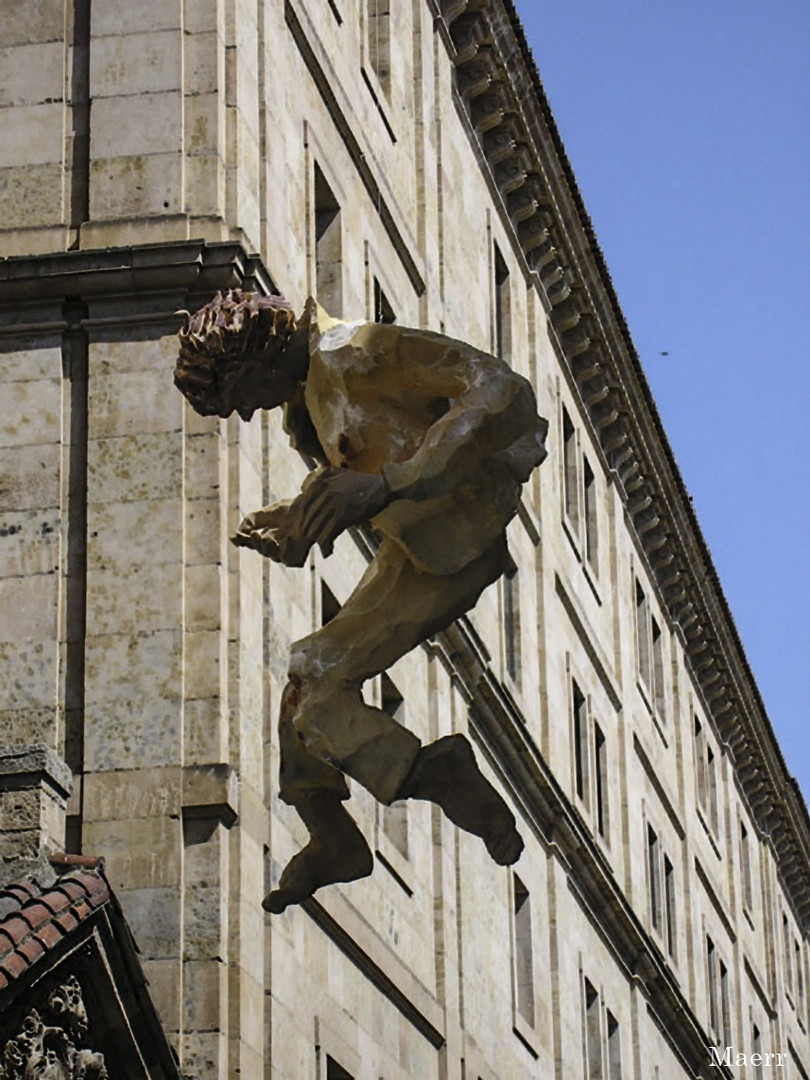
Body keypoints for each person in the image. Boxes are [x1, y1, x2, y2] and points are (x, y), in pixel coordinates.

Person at [175, 289, 548, 913]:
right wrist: (298, 520)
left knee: (317, 681)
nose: (244, 416)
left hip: (459, 534)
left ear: (254, 360)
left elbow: (501, 390)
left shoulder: (356, 351)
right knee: (305, 680)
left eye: (238, 399)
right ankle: (334, 834)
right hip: (413, 545)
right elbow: (357, 462)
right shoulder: (311, 396)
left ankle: (435, 776)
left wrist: (389, 484)